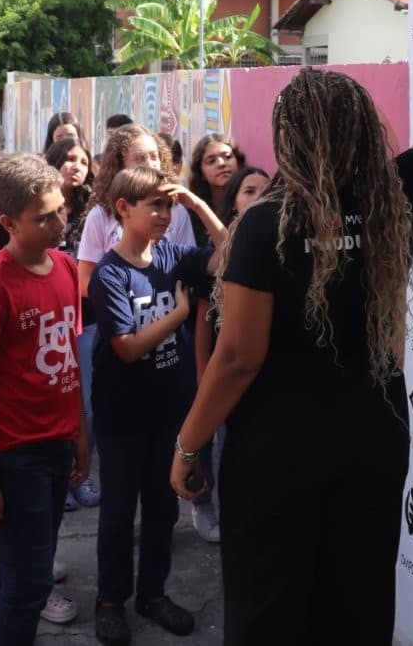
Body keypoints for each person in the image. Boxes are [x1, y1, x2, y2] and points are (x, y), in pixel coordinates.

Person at [170, 0, 413, 645]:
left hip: (276, 455)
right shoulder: (397, 195)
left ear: (290, 140)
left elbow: (237, 358)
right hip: (374, 440)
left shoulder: (268, 223)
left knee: (270, 612)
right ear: (359, 130)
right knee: (357, 606)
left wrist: (189, 442)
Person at [90, 166, 226, 645]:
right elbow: (126, 347)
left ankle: (152, 593)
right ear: (123, 210)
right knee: (119, 512)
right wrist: (182, 314)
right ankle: (109, 601)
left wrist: (198, 204)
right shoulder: (110, 273)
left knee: (163, 509)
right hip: (122, 417)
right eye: (156, 205)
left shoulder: (173, 255)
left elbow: (230, 253)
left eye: (169, 205)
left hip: (168, 412)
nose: (165, 214)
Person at [0, 154, 91, 643]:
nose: (59, 223)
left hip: (57, 446)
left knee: (11, 570)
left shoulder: (63, 266)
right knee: (32, 580)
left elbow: (70, 358)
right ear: (8, 222)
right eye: (44, 217)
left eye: (61, 209)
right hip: (13, 457)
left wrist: (79, 431)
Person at [187, 164, 270, 545]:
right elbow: (205, 319)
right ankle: (207, 506)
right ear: (234, 202)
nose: (257, 198)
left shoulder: (280, 244)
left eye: (264, 191)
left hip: (263, 377)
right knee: (216, 444)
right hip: (225, 370)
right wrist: (205, 377)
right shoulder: (218, 255)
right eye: (248, 191)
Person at [44, 137, 101, 509]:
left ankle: (80, 475)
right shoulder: (41, 205)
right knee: (59, 398)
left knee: (86, 403)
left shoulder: (93, 207)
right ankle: (60, 481)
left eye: (82, 160)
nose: (75, 166)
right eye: (67, 159)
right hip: (52, 317)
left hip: (88, 316)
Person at [76, 124, 196, 298]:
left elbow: (189, 270)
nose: (150, 164)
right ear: (120, 166)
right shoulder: (101, 215)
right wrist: (122, 300)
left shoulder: (177, 211)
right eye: (139, 159)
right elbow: (84, 279)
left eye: (154, 157)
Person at [186, 134, 244, 246]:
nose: (221, 164)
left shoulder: (250, 202)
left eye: (227, 157)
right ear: (201, 173)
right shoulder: (191, 213)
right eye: (211, 161)